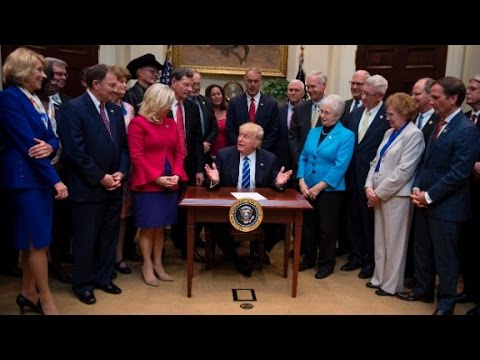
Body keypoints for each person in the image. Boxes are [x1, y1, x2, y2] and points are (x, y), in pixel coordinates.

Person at [396, 77, 480, 315]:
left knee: (446, 258)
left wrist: (429, 196)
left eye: (436, 98)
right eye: (430, 97)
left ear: (453, 99)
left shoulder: (467, 130)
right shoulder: (437, 124)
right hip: (424, 199)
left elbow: (458, 174)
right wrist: (417, 187)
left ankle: (446, 304)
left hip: (447, 207)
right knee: (422, 249)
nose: (431, 102)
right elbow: (427, 161)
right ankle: (423, 290)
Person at [0, 47, 68, 315]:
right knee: (38, 242)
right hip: (26, 179)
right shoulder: (9, 98)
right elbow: (28, 144)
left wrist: (52, 147)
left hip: (38, 178)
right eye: (39, 70)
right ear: (23, 71)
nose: (44, 75)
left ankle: (27, 293)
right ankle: (46, 298)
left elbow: (51, 136)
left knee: (34, 241)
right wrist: (56, 181)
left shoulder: (33, 98)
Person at [57, 64, 129, 306]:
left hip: (113, 185)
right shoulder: (72, 109)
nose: (116, 89)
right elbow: (75, 152)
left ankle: (103, 277)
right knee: (86, 238)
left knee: (108, 236)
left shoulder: (115, 111)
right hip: (87, 187)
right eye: (111, 85)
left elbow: (123, 148)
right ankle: (83, 284)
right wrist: (100, 177)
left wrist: (120, 172)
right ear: (95, 84)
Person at [204, 123, 292, 277]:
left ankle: (259, 250)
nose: (240, 139)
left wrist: (279, 183)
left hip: (258, 208)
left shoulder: (269, 158)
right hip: (229, 208)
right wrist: (214, 180)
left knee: (281, 225)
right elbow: (211, 186)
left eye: (246, 136)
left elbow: (275, 185)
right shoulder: (224, 155)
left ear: (257, 143)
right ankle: (235, 258)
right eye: (239, 135)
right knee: (213, 223)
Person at [364, 92, 425, 296]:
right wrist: (368, 187)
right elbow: (376, 161)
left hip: (397, 196)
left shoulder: (414, 135)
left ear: (404, 113)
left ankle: (391, 285)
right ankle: (379, 277)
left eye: (391, 114)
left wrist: (378, 193)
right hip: (379, 192)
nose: (387, 118)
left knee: (395, 242)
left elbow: (404, 171)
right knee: (380, 239)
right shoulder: (389, 133)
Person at [128, 83, 187, 286]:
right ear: (155, 102)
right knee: (148, 226)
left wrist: (177, 175)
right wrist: (156, 178)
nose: (168, 109)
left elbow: (179, 152)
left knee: (161, 226)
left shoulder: (170, 123)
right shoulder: (138, 123)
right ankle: (147, 265)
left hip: (170, 181)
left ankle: (158, 264)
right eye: (166, 104)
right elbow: (137, 157)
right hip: (148, 182)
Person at [296, 95, 354, 279]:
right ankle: (309, 258)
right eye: (321, 111)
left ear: (337, 115)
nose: (322, 115)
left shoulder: (346, 135)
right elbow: (304, 158)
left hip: (330, 191)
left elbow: (340, 166)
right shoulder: (314, 132)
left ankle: (326, 263)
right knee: (308, 226)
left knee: (327, 229)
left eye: (327, 112)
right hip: (307, 187)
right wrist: (301, 181)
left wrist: (319, 187)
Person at [342, 74, 390, 280]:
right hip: (351, 174)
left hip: (372, 178)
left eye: (368, 94)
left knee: (369, 221)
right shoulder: (355, 113)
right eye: (362, 93)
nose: (363, 98)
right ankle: (356, 255)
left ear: (380, 96)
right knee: (352, 217)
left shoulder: (388, 115)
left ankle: (371, 260)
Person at [404, 77, 440, 287]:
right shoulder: (411, 118)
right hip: (408, 186)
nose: (413, 97)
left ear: (429, 95)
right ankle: (410, 273)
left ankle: (422, 279)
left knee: (426, 240)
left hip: (427, 188)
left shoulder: (438, 121)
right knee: (413, 236)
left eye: (417, 94)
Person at [109, 65, 135, 275]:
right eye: (120, 81)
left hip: (125, 169)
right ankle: (104, 259)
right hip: (105, 169)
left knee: (122, 216)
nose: (124, 85)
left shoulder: (128, 108)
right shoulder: (101, 106)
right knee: (105, 217)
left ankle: (119, 257)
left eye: (126, 81)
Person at [458, 74, 480, 315]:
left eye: (473, 89)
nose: (469, 92)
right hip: (464, 193)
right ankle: (470, 289)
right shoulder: (465, 119)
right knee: (468, 245)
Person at [226, 67, 279, 153]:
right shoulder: (234, 102)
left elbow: (274, 131)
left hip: (263, 153)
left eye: (256, 81)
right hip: (239, 152)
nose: (252, 84)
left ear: (260, 82)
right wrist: (241, 146)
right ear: (245, 81)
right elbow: (230, 129)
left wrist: (260, 148)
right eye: (249, 81)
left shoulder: (271, 104)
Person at [205, 84, 229, 159]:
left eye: (219, 94)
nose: (216, 97)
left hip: (227, 152)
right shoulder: (206, 113)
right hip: (209, 153)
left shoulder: (229, 112)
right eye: (213, 95)